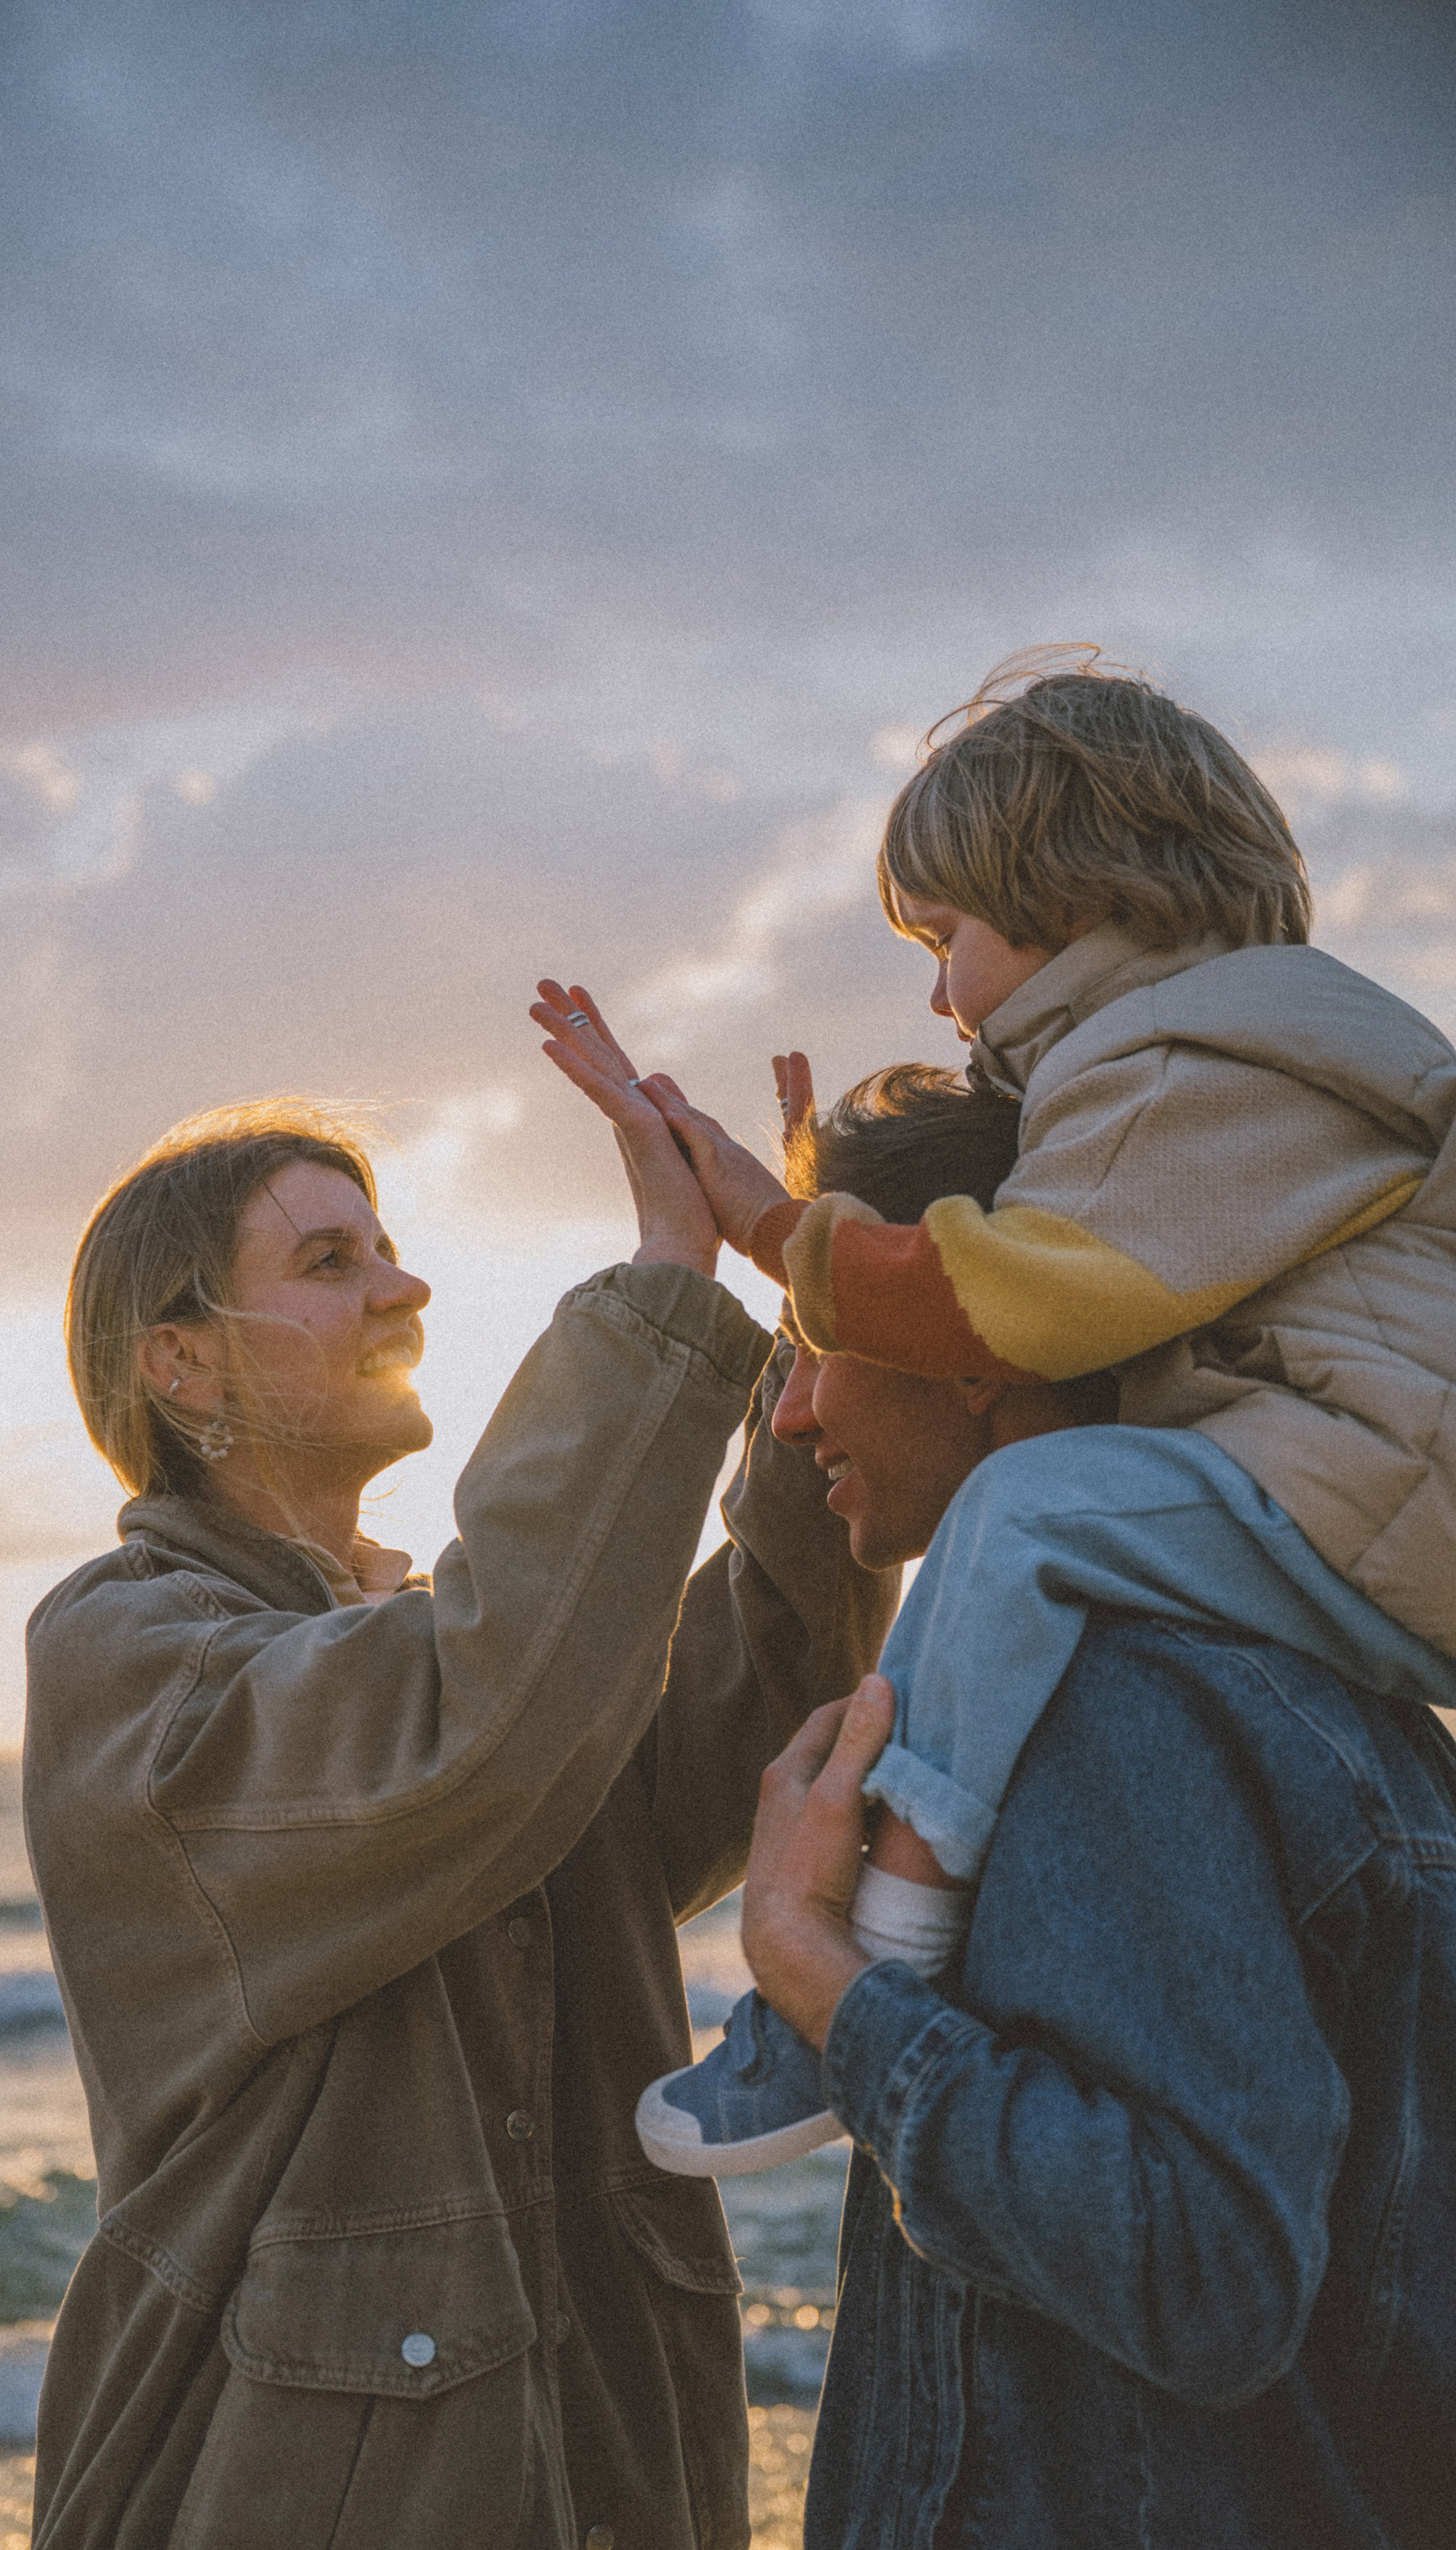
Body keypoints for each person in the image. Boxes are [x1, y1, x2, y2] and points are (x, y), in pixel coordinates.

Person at [535, 659, 1456, 2170]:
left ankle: (864, 1960)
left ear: (1075, 893)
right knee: (1033, 1533)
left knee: (1026, 1519)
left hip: (1367, 1480)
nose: (933, 991)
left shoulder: (1204, 1052)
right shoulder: (1202, 1048)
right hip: (1357, 1490)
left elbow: (1011, 1301)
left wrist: (783, 1231)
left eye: (945, 938)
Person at [23, 1092, 890, 2550]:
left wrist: (823, 1320)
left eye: (390, 1249)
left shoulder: (463, 1656)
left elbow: (759, 1693)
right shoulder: (130, 1661)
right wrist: (662, 1288)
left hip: (602, 2469)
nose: (403, 1288)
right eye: (328, 1263)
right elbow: (466, 1728)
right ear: (178, 1360)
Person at [730, 1081, 1456, 2547]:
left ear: (978, 1352)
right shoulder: (1308, 1680)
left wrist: (814, 1974)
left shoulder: (1114, 1698)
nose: (794, 1406)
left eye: (814, 1347)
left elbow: (1201, 2276)